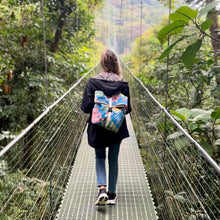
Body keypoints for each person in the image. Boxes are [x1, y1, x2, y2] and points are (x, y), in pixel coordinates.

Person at [81, 49, 131, 206]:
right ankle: (112, 194)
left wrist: (101, 110)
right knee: (113, 160)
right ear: (116, 63)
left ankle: (102, 190)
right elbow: (127, 109)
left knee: (100, 157)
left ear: (102, 64)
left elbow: (85, 107)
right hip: (116, 127)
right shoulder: (123, 84)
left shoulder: (92, 82)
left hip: (98, 128)